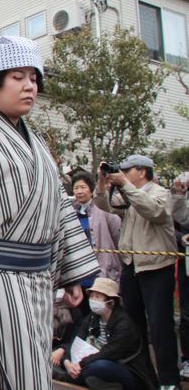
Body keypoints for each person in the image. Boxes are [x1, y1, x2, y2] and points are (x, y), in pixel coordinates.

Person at [0, 36, 100, 389]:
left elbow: (59, 207)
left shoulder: (37, 143)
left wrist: (72, 273)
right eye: (19, 77)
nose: (31, 86)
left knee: (25, 375)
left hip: (40, 281)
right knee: (20, 379)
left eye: (34, 77)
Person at [96, 155, 180, 387]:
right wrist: (103, 182)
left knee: (160, 325)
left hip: (156, 268)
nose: (122, 172)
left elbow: (153, 211)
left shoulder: (159, 193)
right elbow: (104, 207)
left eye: (127, 169)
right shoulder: (128, 193)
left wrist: (126, 185)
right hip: (131, 267)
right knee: (133, 326)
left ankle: (168, 380)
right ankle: (143, 378)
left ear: (142, 171)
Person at [60, 278, 156, 389]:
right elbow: (77, 340)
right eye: (92, 296)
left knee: (99, 366)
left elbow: (109, 352)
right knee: (68, 361)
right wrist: (67, 361)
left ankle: (66, 377)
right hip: (90, 360)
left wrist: (80, 365)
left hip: (124, 368)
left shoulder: (124, 324)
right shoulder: (92, 317)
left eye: (98, 297)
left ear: (111, 302)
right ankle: (106, 385)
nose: (93, 299)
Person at [72, 171, 123, 284]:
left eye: (83, 187)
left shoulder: (104, 210)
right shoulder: (70, 211)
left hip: (102, 268)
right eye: (76, 188)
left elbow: (117, 237)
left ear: (91, 190)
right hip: (79, 268)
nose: (79, 191)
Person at [171, 175, 189, 380]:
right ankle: (186, 359)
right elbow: (178, 222)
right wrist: (178, 194)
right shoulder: (182, 193)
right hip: (186, 261)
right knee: (186, 314)